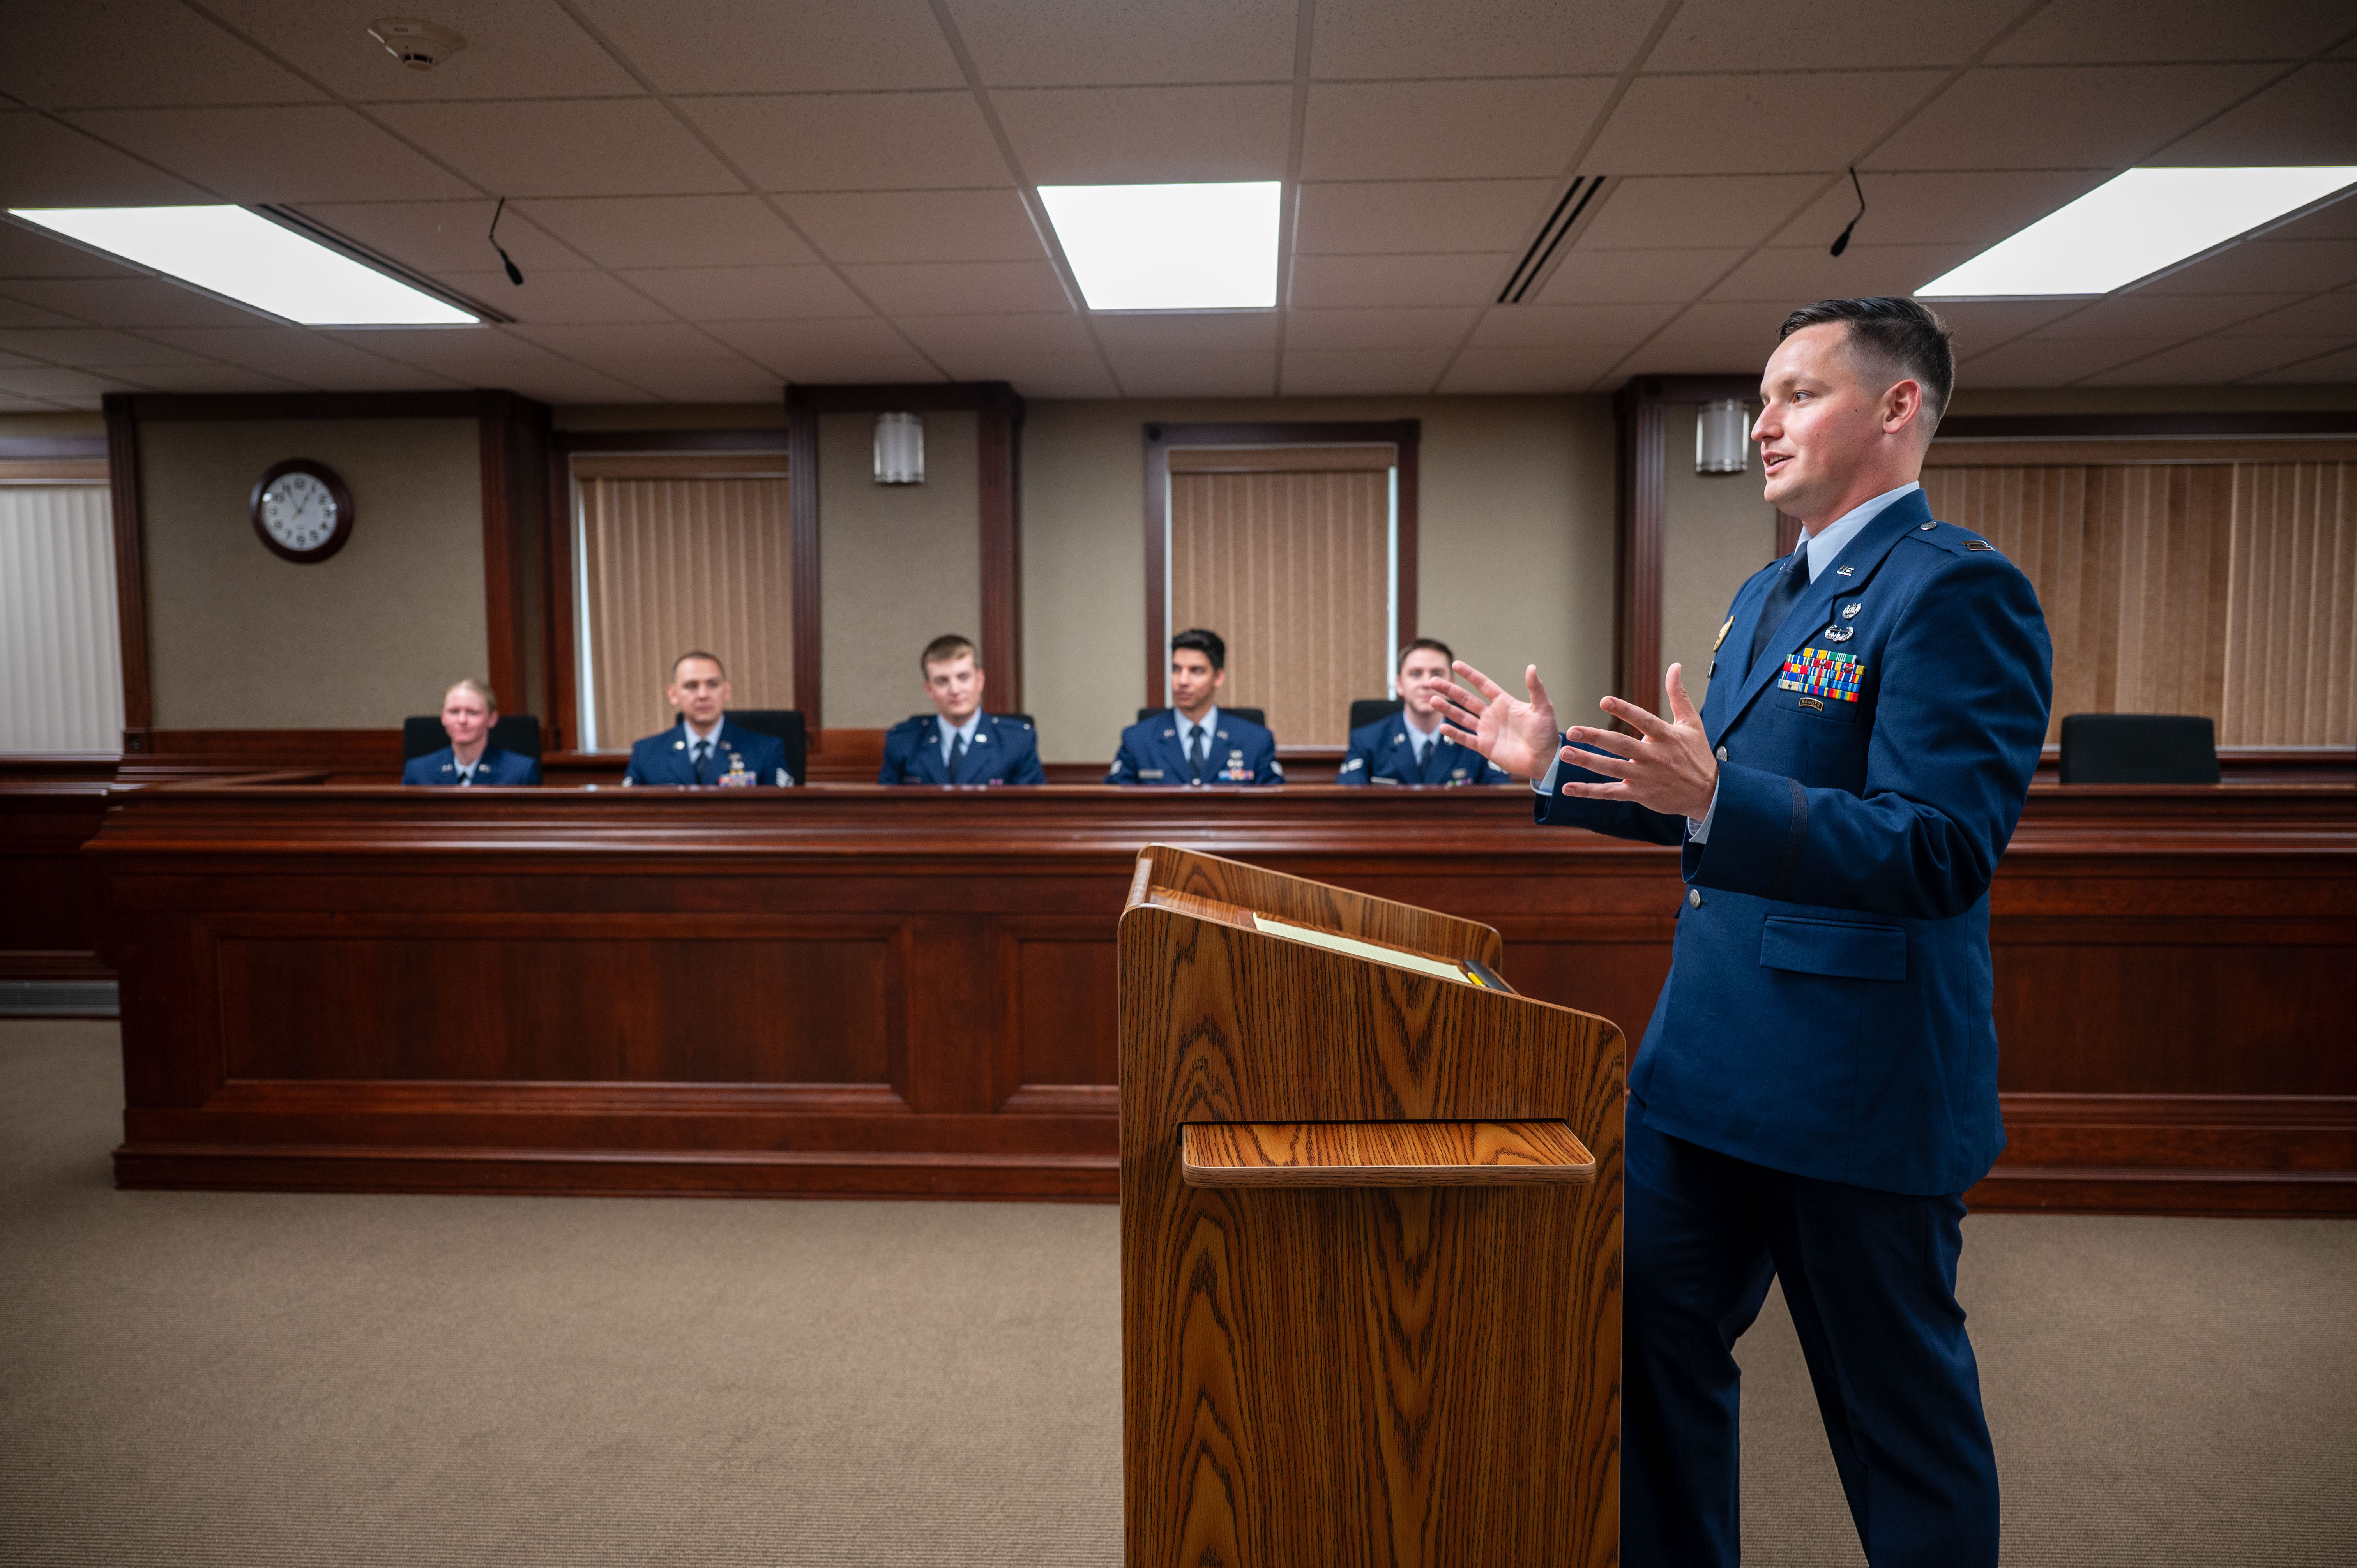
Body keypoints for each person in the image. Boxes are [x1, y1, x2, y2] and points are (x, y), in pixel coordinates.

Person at [1437, 296, 2051, 1568]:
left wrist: (1721, 800)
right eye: (1760, 398)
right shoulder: (1767, 593)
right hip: (1700, 1075)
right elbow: (1709, 811)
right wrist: (1552, 764)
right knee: (1642, 1346)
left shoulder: (1954, 592)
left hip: (1852, 1088)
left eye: (1797, 395)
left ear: (1897, 407)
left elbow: (1939, 848)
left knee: (1896, 1425)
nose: (1762, 423)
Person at [1106, 628, 1281, 786]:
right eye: (1176, 669)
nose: (1183, 681)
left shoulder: (1255, 741)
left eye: (1196, 671)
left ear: (1218, 677)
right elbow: (1112, 803)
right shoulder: (1138, 740)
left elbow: (1278, 803)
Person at [1338, 638, 1514, 786]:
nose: (1427, 683)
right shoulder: (1367, 740)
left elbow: (1503, 803)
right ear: (1399, 684)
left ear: (1452, 683)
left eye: (1437, 674)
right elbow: (1347, 803)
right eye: (1416, 674)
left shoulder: (1477, 740)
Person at [878, 634, 1045, 786]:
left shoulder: (1016, 741)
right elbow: (887, 807)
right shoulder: (903, 742)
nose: (955, 690)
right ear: (929, 689)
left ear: (980, 681)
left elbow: (1032, 807)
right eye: (942, 681)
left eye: (963, 677)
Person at [621, 651, 793, 787]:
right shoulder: (646, 754)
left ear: (726, 690)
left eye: (712, 685)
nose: (703, 695)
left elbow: (784, 813)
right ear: (673, 694)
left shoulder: (766, 751)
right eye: (691, 686)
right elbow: (627, 814)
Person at [401, 678, 540, 786]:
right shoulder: (418, 771)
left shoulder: (521, 772)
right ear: (443, 718)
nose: (462, 720)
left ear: (492, 719)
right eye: (454, 712)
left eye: (473, 713)